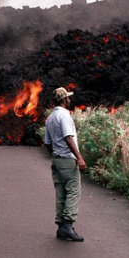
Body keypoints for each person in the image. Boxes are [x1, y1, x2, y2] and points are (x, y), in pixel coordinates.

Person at [44, 87, 87, 241]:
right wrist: (79, 158)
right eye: (67, 98)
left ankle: (61, 227)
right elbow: (69, 137)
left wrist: (55, 153)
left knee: (61, 193)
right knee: (73, 192)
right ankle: (68, 226)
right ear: (63, 100)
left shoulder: (50, 118)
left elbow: (47, 143)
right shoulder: (64, 115)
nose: (69, 100)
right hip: (68, 161)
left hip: (56, 160)